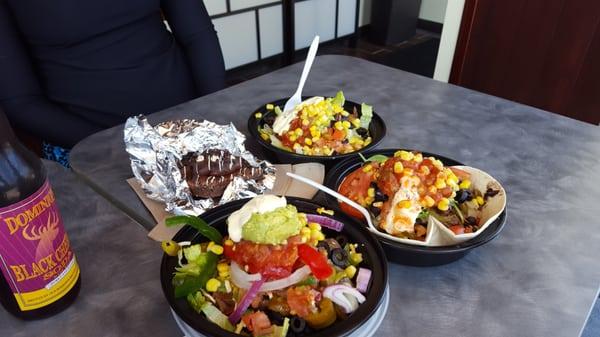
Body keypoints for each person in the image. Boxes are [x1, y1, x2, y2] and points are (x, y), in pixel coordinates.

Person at [0, 0, 226, 165]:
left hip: (187, 123)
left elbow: (198, 36)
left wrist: (208, 114)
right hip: (89, 145)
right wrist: (120, 147)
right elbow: (20, 102)